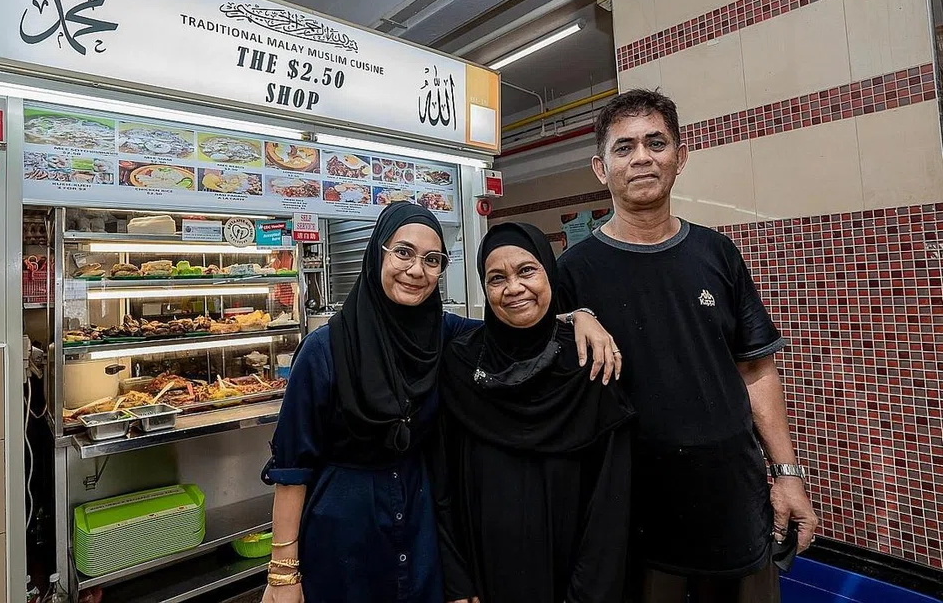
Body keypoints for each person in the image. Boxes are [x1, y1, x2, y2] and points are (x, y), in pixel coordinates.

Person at [261, 202, 621, 603]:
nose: (416, 270)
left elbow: (512, 322)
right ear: (377, 252)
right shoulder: (324, 349)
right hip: (345, 528)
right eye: (403, 252)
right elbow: (292, 466)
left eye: (432, 260)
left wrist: (577, 316)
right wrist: (283, 573)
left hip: (420, 525)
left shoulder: (444, 336)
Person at [556, 89, 820, 603]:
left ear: (681, 156)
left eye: (656, 143)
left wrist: (787, 474)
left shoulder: (717, 253)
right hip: (635, 512)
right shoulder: (574, 272)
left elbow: (757, 371)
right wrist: (570, 315)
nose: (642, 157)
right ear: (599, 167)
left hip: (732, 501)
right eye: (624, 147)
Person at [432, 222, 635, 603]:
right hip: (483, 579)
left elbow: (610, 507)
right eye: (496, 278)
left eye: (527, 270)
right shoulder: (461, 365)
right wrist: (457, 581)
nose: (513, 288)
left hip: (570, 583)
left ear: (549, 274)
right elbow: (442, 485)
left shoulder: (589, 366)